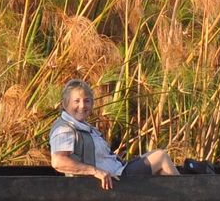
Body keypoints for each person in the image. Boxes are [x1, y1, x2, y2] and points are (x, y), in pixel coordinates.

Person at [48, 79, 179, 189]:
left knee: (155, 157)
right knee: (160, 157)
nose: (82, 106)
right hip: (113, 180)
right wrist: (95, 171)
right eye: (76, 101)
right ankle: (185, 194)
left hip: (118, 173)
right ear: (66, 104)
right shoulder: (64, 129)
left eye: (87, 101)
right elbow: (58, 161)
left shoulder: (84, 126)